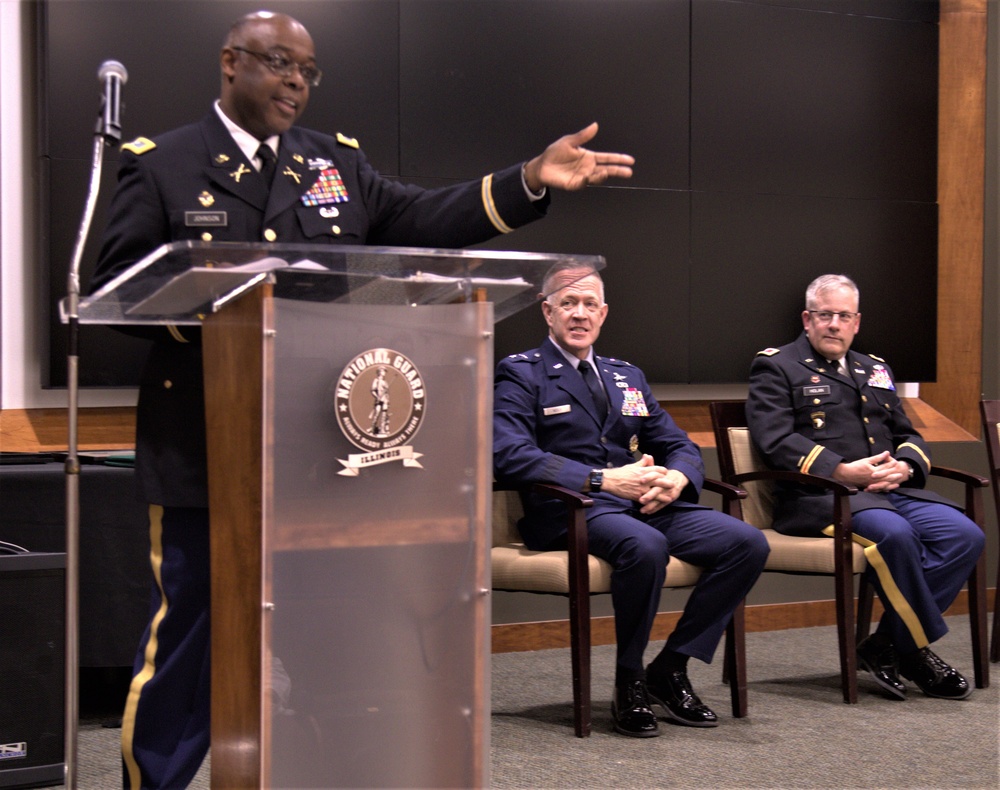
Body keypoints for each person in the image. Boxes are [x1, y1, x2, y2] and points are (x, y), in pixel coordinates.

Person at [89, 10, 635, 789]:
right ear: (230, 63)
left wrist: (526, 183)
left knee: (331, 634)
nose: (295, 83)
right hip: (204, 447)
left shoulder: (330, 163)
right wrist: (237, 328)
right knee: (190, 638)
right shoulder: (166, 163)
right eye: (279, 64)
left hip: (324, 450)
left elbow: (419, 217)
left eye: (308, 72)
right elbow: (122, 289)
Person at [492, 262, 769, 738]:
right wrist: (601, 480)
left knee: (746, 543)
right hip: (572, 510)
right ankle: (630, 679)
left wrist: (679, 480)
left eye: (589, 305)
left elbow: (680, 444)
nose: (580, 314)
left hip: (646, 506)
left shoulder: (627, 377)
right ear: (547, 312)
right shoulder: (523, 374)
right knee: (644, 547)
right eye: (568, 304)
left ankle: (671, 666)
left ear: (604, 313)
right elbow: (509, 454)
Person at [746, 273, 985, 702]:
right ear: (807, 319)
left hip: (887, 492)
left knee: (964, 534)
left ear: (856, 322)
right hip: (821, 499)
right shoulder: (776, 366)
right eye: (824, 315)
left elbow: (906, 432)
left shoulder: (874, 368)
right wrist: (841, 471)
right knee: (896, 535)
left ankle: (888, 645)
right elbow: (775, 440)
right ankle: (914, 651)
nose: (833, 324)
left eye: (843, 316)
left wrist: (906, 467)